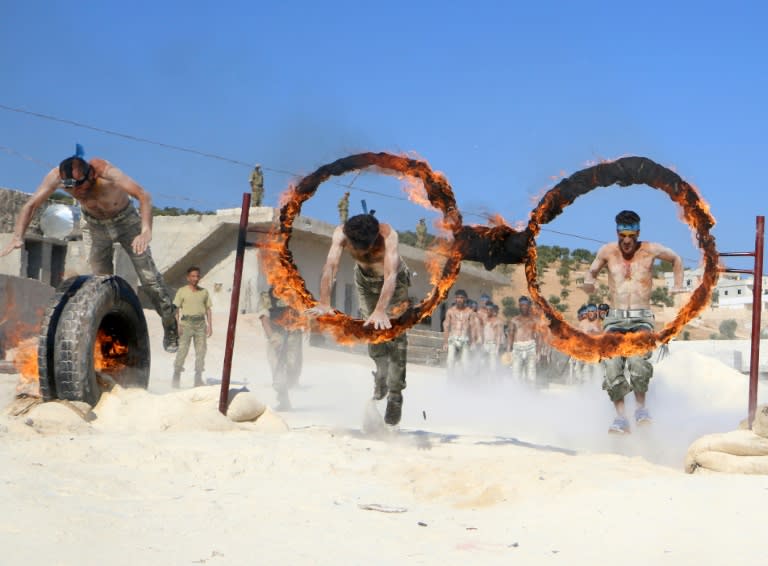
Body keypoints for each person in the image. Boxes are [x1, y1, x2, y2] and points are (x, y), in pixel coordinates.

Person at [0, 151, 179, 353]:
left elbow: (143, 195)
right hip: (94, 226)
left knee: (149, 280)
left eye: (81, 187)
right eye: (71, 189)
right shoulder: (56, 177)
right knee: (101, 282)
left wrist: (146, 230)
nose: (78, 193)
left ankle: (169, 321)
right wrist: (18, 236)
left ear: (91, 176)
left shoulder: (107, 172)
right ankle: (109, 334)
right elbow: (31, 205)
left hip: (126, 222)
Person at [583, 210, 684, 434]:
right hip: (615, 319)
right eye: (622, 236)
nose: (626, 241)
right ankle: (620, 418)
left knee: (638, 364)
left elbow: (676, 259)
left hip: (641, 318)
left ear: (637, 233)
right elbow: (591, 271)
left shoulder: (650, 249)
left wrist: (678, 284)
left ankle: (640, 409)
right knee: (611, 367)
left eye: (631, 236)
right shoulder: (607, 251)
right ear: (617, 233)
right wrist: (589, 282)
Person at [307, 213, 410, 426]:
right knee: (372, 334)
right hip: (365, 281)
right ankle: (381, 378)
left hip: (394, 282)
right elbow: (331, 266)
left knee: (395, 336)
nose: (364, 252)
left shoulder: (389, 235)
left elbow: (390, 275)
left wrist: (381, 309)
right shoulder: (341, 234)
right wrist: (325, 301)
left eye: (368, 247)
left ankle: (395, 394)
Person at [258, 285, 304, 411]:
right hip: (275, 333)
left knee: (292, 365)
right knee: (276, 367)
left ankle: (290, 382)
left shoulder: (294, 292)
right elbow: (264, 319)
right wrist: (272, 338)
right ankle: (283, 399)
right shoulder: (266, 296)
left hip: (293, 333)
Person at [172, 266, 213, 388]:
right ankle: (176, 376)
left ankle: (198, 378)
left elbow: (208, 310)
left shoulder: (204, 292)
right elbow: (176, 309)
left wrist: (210, 326)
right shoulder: (182, 291)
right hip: (186, 325)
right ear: (188, 278)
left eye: (197, 276)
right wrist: (177, 325)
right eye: (193, 276)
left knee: (201, 351)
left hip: (200, 325)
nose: (196, 278)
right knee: (182, 351)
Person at [508, 296, 541, 384]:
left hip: (530, 347)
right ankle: (517, 394)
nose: (524, 307)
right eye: (521, 305)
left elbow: (538, 337)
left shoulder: (535, 320)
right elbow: (510, 336)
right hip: (517, 348)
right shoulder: (514, 320)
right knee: (516, 375)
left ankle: (530, 395)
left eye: (526, 305)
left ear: (529, 306)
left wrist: (538, 352)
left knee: (531, 375)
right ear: (519, 306)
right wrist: (509, 351)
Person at [442, 289, 474, 379]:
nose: (459, 300)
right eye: (457, 298)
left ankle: (463, 382)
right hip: (453, 338)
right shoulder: (450, 311)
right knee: (450, 361)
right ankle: (450, 381)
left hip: (465, 340)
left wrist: (472, 342)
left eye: (461, 298)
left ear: (465, 299)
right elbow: (446, 327)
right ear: (455, 299)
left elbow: (472, 328)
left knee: (465, 363)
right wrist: (445, 342)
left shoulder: (470, 312)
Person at [481, 302, 505, 377]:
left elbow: (499, 335)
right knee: (482, 364)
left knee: (493, 366)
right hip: (485, 344)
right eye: (486, 309)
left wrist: (497, 347)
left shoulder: (497, 321)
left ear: (492, 310)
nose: (488, 311)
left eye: (490, 309)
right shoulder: (484, 320)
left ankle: (494, 382)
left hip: (493, 345)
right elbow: (482, 332)